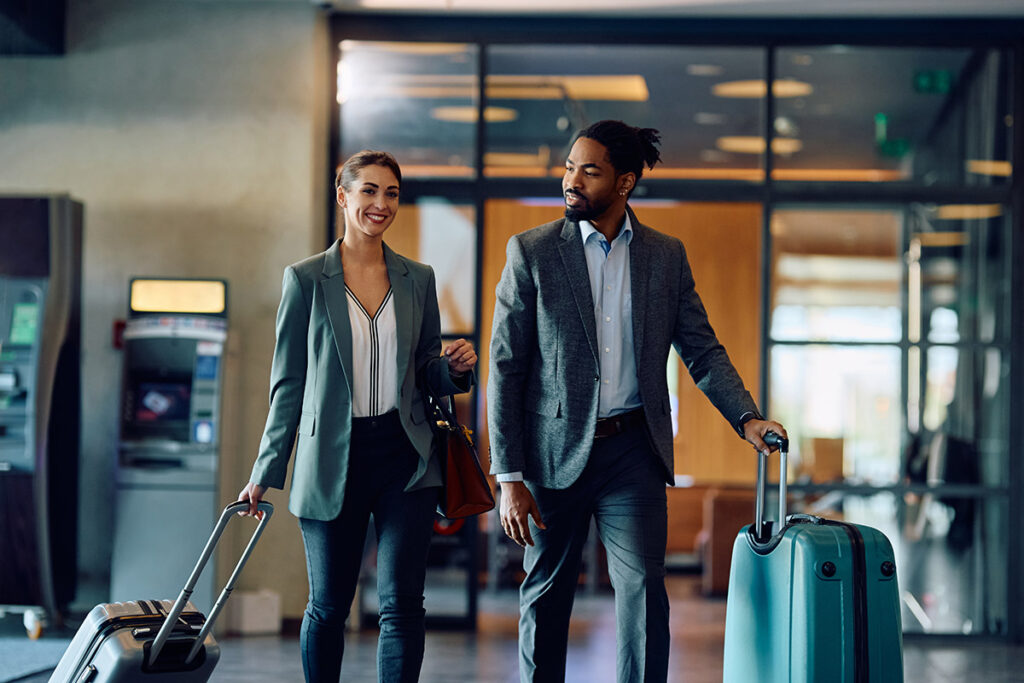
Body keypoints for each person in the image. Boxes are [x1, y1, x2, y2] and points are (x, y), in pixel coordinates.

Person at [487, 120, 787, 683]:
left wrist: (745, 415)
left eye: (589, 171)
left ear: (624, 183)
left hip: (633, 452)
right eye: (569, 166)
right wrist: (509, 477)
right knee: (546, 596)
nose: (571, 180)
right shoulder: (531, 252)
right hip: (553, 455)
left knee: (645, 593)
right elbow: (506, 367)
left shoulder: (665, 257)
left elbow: (701, 348)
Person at [238, 150, 477, 683]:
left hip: (404, 456)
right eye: (369, 191)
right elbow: (288, 385)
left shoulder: (418, 278)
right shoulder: (304, 280)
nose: (381, 204)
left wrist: (453, 370)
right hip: (331, 459)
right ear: (343, 197)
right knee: (328, 605)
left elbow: (424, 368)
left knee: (402, 604)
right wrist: (265, 470)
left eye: (391, 193)